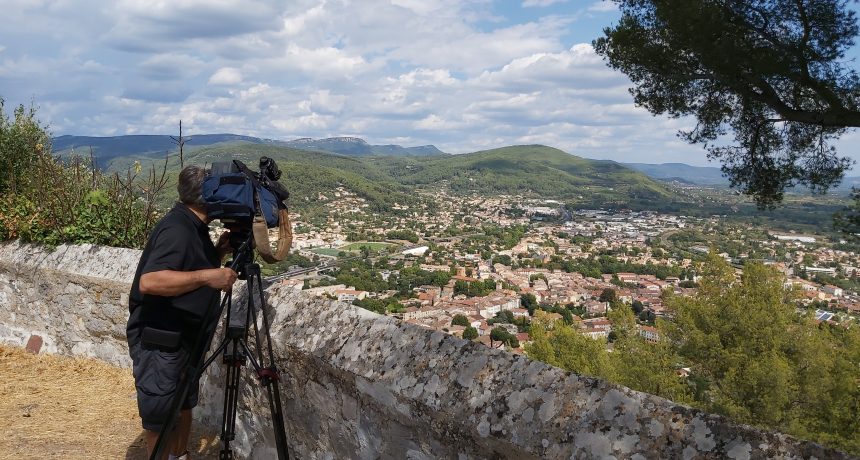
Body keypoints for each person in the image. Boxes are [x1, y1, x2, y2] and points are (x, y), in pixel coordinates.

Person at [126, 165, 238, 460]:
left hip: (183, 338)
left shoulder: (193, 226)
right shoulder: (177, 229)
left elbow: (187, 266)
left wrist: (217, 253)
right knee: (161, 415)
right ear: (206, 197)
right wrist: (208, 277)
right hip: (162, 341)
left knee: (183, 402)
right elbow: (150, 281)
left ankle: (180, 455)